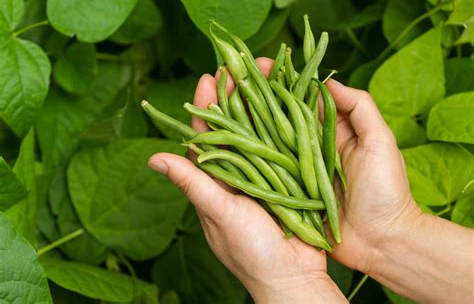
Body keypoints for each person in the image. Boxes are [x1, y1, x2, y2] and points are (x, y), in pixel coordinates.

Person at [148, 58, 474, 303]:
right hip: (324, 212)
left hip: (317, 210)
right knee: (275, 129)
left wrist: (291, 283)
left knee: (288, 123)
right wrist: (390, 231)